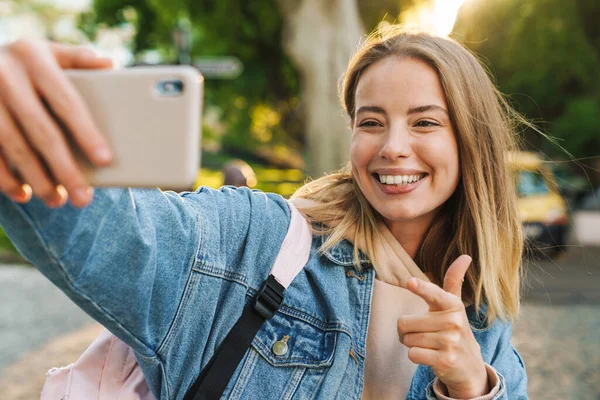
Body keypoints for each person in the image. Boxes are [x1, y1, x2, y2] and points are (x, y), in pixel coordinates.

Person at [0, 26, 528, 400]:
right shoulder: (259, 240)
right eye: (371, 122)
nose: (391, 146)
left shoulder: (484, 320)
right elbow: (112, 233)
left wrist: (471, 387)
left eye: (424, 123)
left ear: (470, 140)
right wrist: (17, 121)